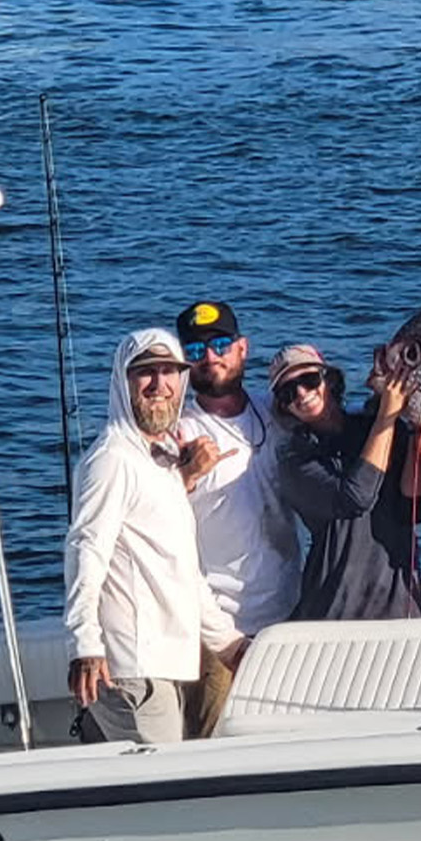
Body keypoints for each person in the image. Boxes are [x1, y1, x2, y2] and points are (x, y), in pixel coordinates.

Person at [63, 329, 243, 744]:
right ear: (123, 383)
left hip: (165, 664)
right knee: (167, 790)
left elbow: (180, 569)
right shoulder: (112, 459)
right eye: (145, 373)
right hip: (130, 668)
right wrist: (85, 644)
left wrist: (229, 642)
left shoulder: (159, 463)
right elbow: (84, 551)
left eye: (170, 372)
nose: (159, 385)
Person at [172, 300, 302, 738]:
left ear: (243, 348)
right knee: (211, 745)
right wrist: (186, 476)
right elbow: (156, 526)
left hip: (290, 615)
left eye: (221, 344)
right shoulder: (178, 435)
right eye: (196, 351)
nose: (211, 357)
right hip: (217, 631)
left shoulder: (279, 412)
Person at [273, 343, 421, 621]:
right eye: (288, 392)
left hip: (399, 604)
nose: (302, 394)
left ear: (330, 381)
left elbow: (414, 508)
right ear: (284, 407)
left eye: (309, 380)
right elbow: (355, 498)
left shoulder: (377, 428)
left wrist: (415, 439)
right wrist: (386, 417)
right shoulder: (295, 461)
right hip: (334, 612)